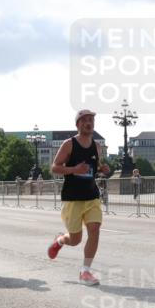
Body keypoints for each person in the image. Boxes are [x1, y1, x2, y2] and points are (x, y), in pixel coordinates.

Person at [47, 109, 111, 285]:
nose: (88, 123)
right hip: (72, 198)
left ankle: (85, 271)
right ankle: (61, 240)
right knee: (75, 240)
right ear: (78, 124)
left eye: (91, 120)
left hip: (91, 196)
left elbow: (93, 167)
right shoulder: (69, 144)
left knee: (95, 230)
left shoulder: (96, 146)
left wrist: (102, 169)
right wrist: (74, 169)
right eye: (84, 120)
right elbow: (54, 167)